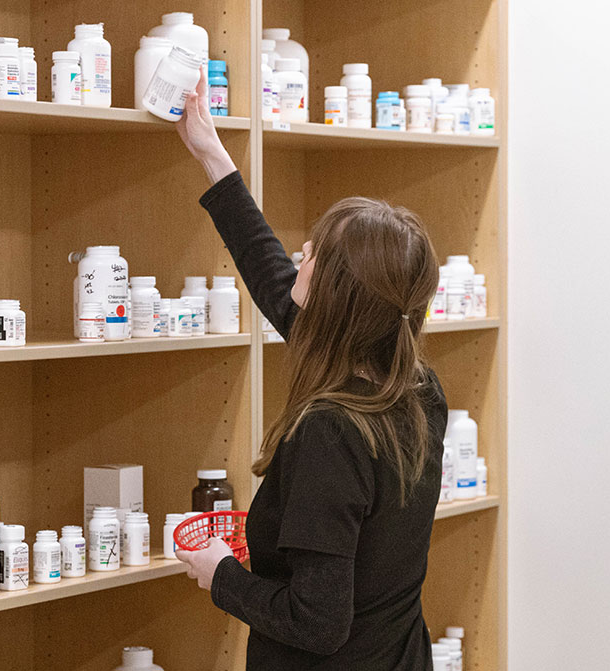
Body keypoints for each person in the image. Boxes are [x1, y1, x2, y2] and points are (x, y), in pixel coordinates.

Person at [173, 70, 450, 670]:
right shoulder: (416, 387)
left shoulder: (332, 432)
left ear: (338, 295)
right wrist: (211, 154)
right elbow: (276, 280)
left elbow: (319, 621)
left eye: (316, 253)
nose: (302, 253)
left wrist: (220, 573)